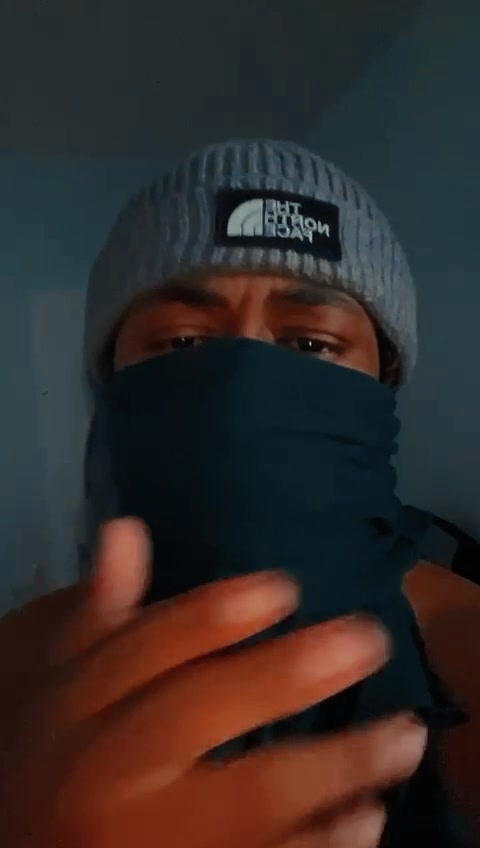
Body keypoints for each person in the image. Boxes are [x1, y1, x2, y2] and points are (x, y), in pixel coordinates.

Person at [0, 139, 478, 847]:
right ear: (110, 380)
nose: (240, 387)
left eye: (311, 345)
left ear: (384, 380)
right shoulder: (16, 671)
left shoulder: (468, 645)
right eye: (183, 343)